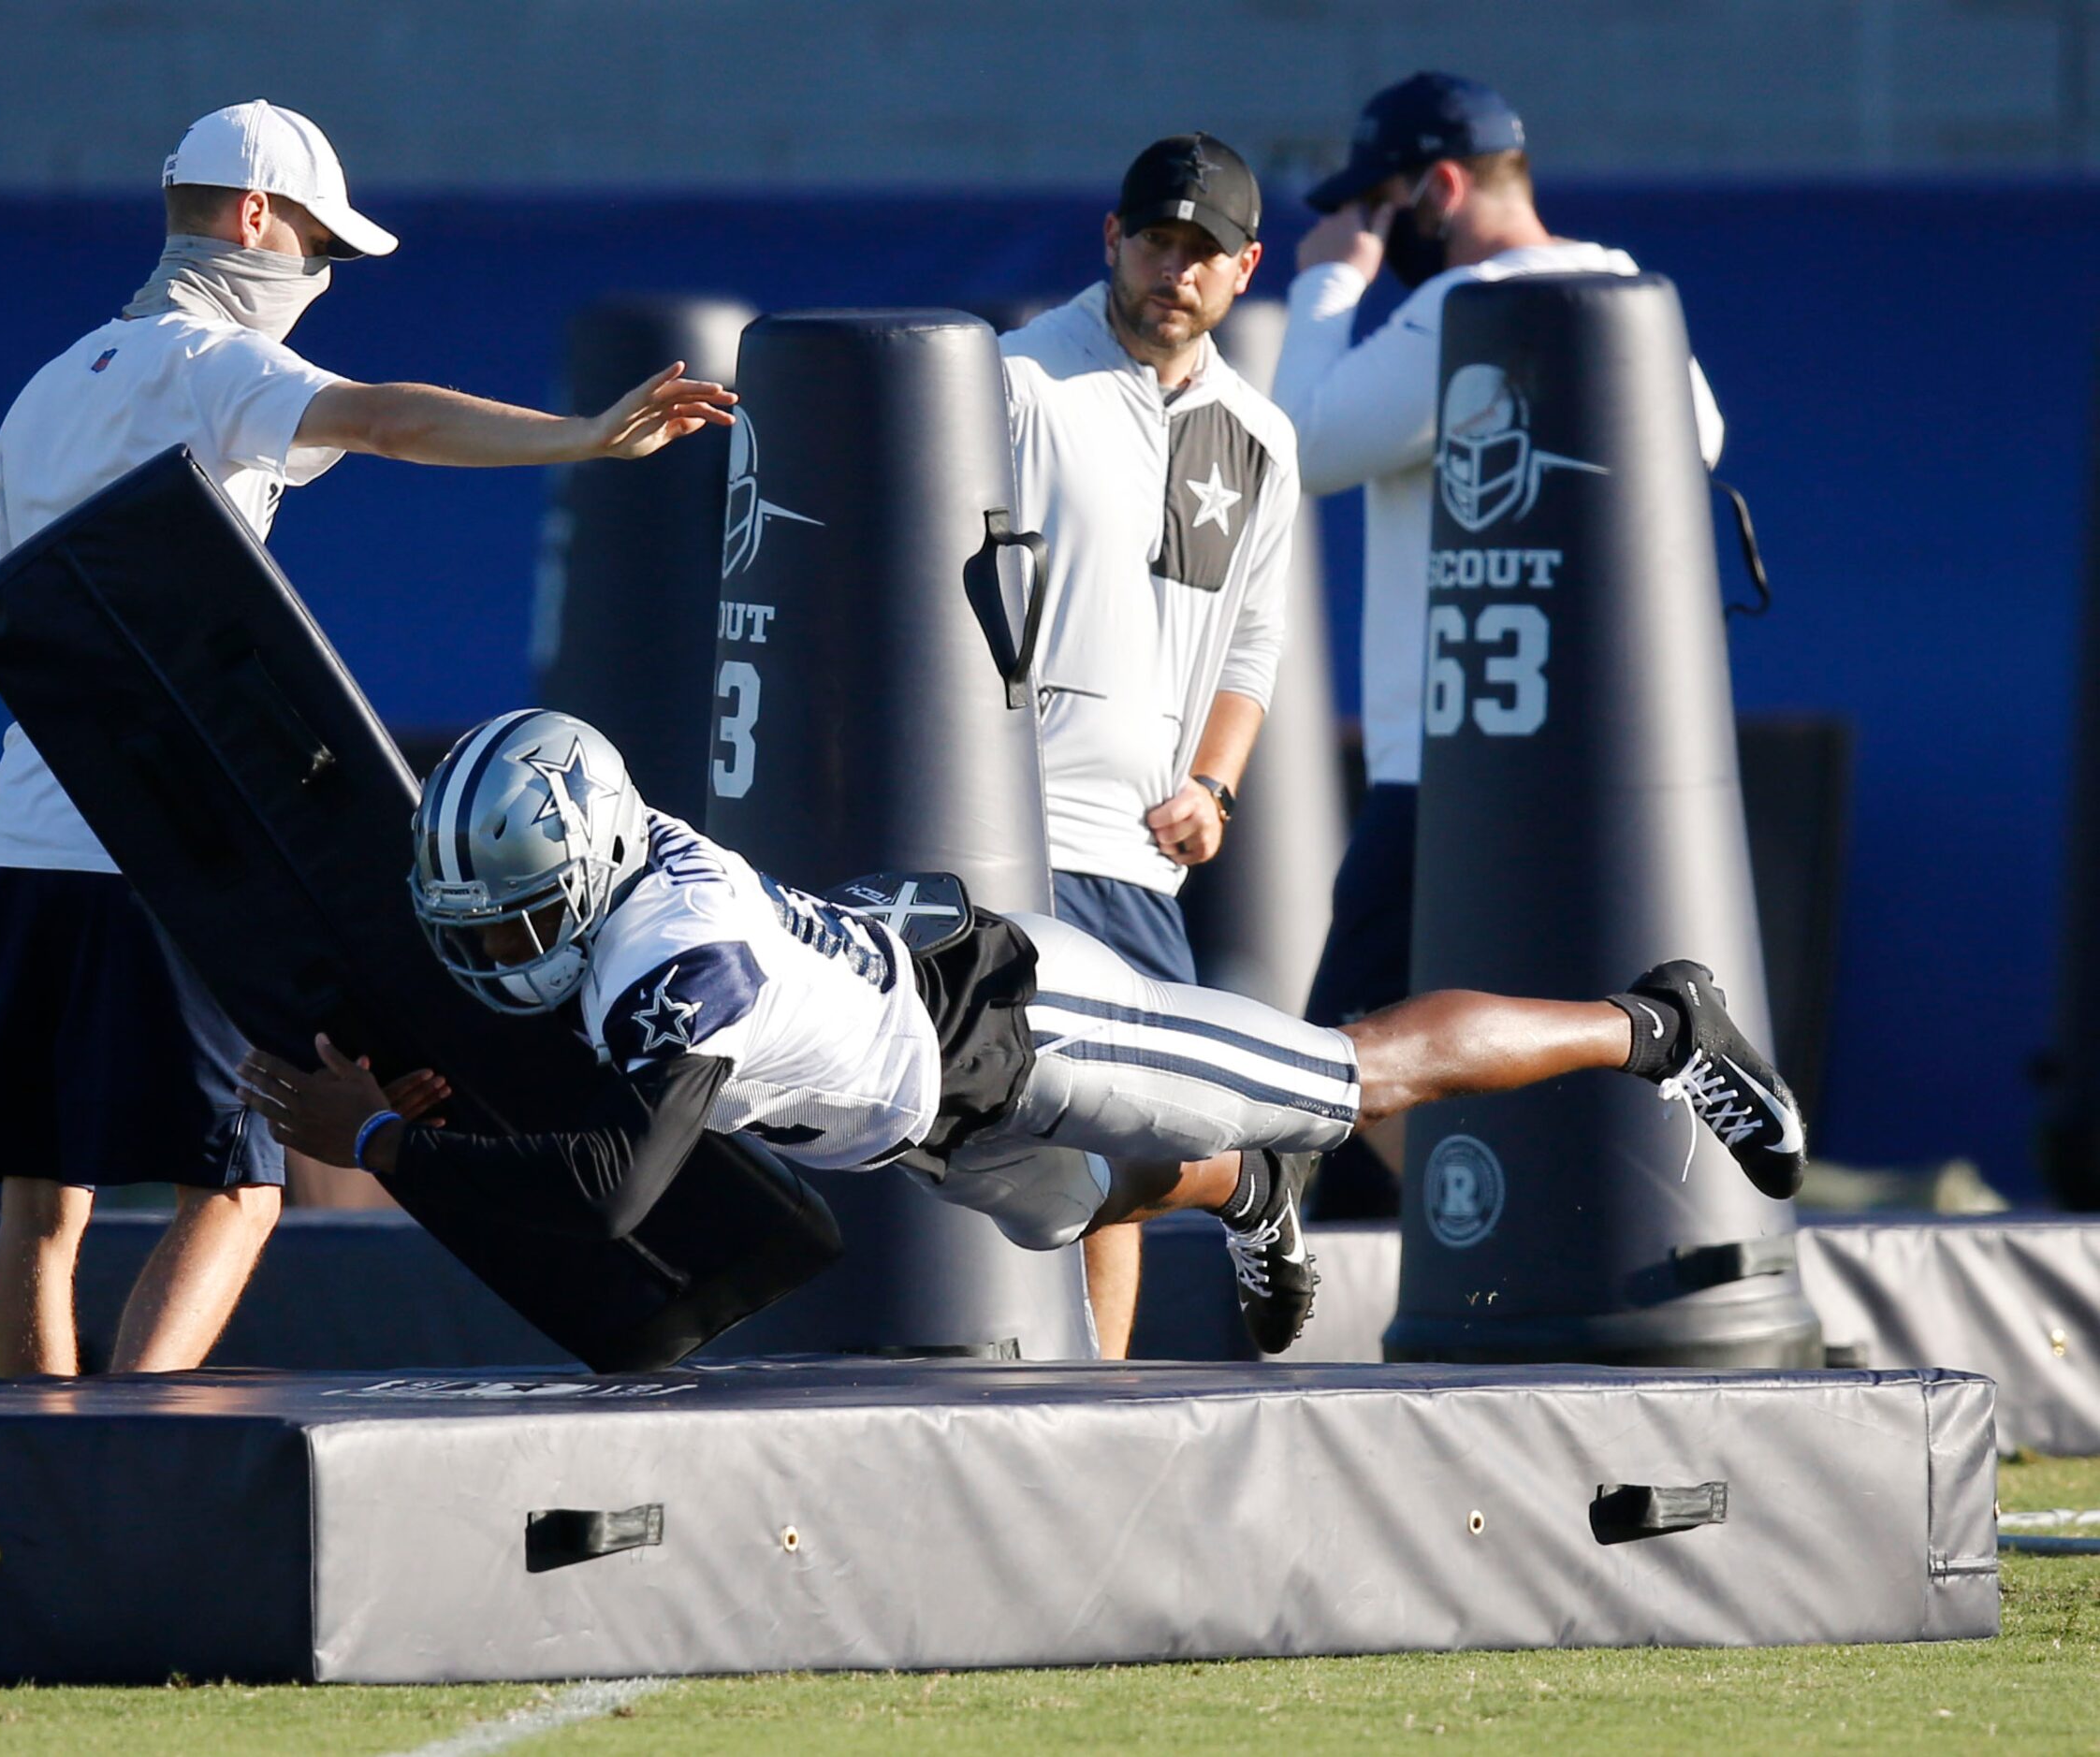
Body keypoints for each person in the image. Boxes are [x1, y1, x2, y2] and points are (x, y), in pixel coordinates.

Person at [0, 102, 734, 1378]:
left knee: (43, 1206)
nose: (316, 275)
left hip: (30, 824)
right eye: (312, 241)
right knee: (243, 1188)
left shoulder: (48, 388)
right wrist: (584, 436)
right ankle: (135, 1474)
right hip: (175, 849)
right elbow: (388, 418)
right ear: (250, 216)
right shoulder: (214, 363)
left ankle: (41, 1487)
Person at [235, 709, 1805, 1358]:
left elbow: (604, 1192)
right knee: (1080, 1198)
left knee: (1343, 1076)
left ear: (578, 876)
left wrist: (376, 1135)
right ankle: (1237, 1197)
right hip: (906, 1104)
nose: (497, 955)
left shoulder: (672, 957)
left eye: (511, 923)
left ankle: (1657, 1021)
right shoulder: (616, 869)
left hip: (1013, 1019)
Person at [1270, 73, 1726, 1212]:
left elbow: (1299, 448)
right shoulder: (1628, 294)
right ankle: (1500, 1240)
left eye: (1376, 202)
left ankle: (1481, 1240)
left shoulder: (1461, 305)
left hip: (1445, 755)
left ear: (1440, 185)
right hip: (1600, 765)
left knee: (1335, 1057)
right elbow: (1701, 445)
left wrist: (1332, 275)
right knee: (1543, 1029)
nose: (1366, 224)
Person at [998, 134, 1303, 1357]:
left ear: (1244, 270)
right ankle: (1241, 1190)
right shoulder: (1015, 382)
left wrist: (1212, 785)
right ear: (1110, 240)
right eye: (1157, 239)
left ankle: (1095, 1385)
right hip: (1004, 822)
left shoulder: (1259, 436)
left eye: (1203, 250)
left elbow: (1251, 646)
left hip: (1135, 853)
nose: (1175, 268)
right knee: (999, 1129)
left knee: (1122, 1133)